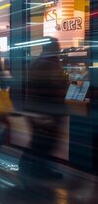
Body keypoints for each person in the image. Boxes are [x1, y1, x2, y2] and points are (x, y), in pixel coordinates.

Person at [23, 38, 68, 177]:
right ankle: (38, 170)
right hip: (46, 110)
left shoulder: (38, 62)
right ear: (52, 48)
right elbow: (57, 86)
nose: (59, 49)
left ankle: (28, 167)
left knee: (39, 140)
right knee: (45, 141)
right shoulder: (49, 64)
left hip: (38, 109)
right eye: (58, 46)